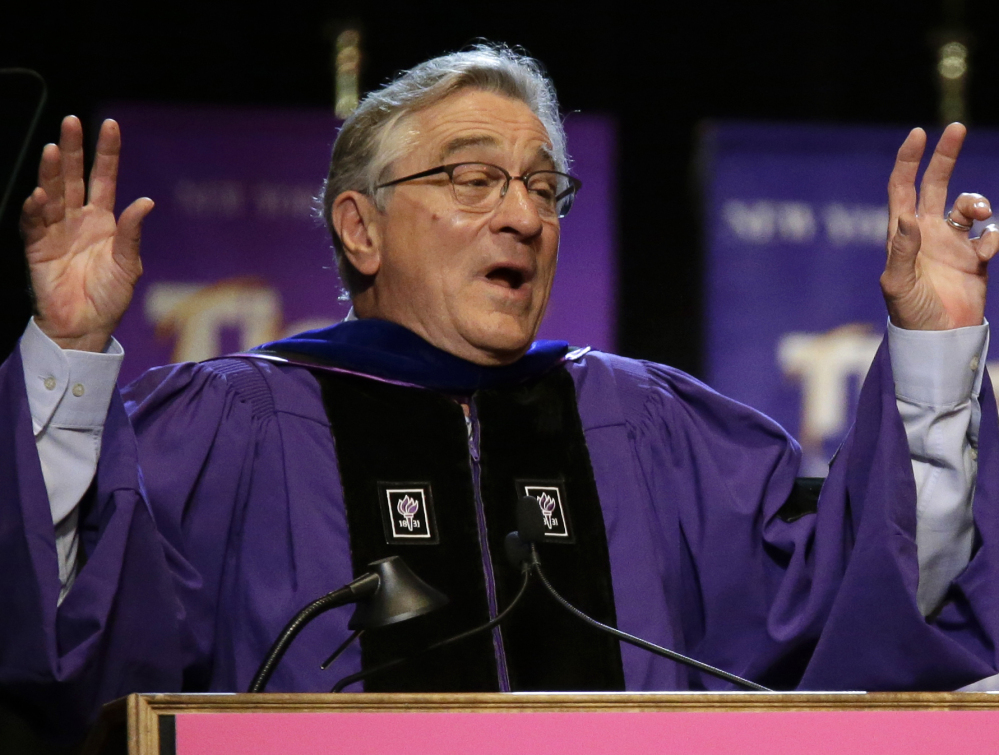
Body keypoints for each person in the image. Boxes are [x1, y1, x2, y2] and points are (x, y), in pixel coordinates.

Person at [3, 45, 999, 742]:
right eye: (474, 179)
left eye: (542, 185)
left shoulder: (658, 430)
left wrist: (935, 347)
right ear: (362, 229)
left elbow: (867, 603)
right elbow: (75, 631)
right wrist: (72, 353)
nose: (522, 214)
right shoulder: (230, 425)